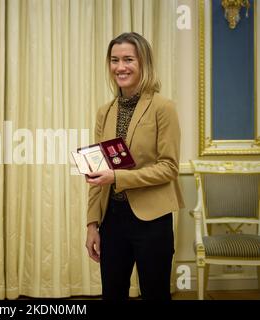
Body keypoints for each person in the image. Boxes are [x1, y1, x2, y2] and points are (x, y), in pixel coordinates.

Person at [84, 32, 184, 300]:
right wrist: (92, 224)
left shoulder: (164, 108)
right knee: (112, 294)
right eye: (114, 60)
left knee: (155, 294)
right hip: (112, 219)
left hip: (152, 220)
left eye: (128, 59)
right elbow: (96, 173)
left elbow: (169, 168)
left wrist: (117, 177)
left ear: (144, 64)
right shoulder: (104, 111)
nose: (120, 67)